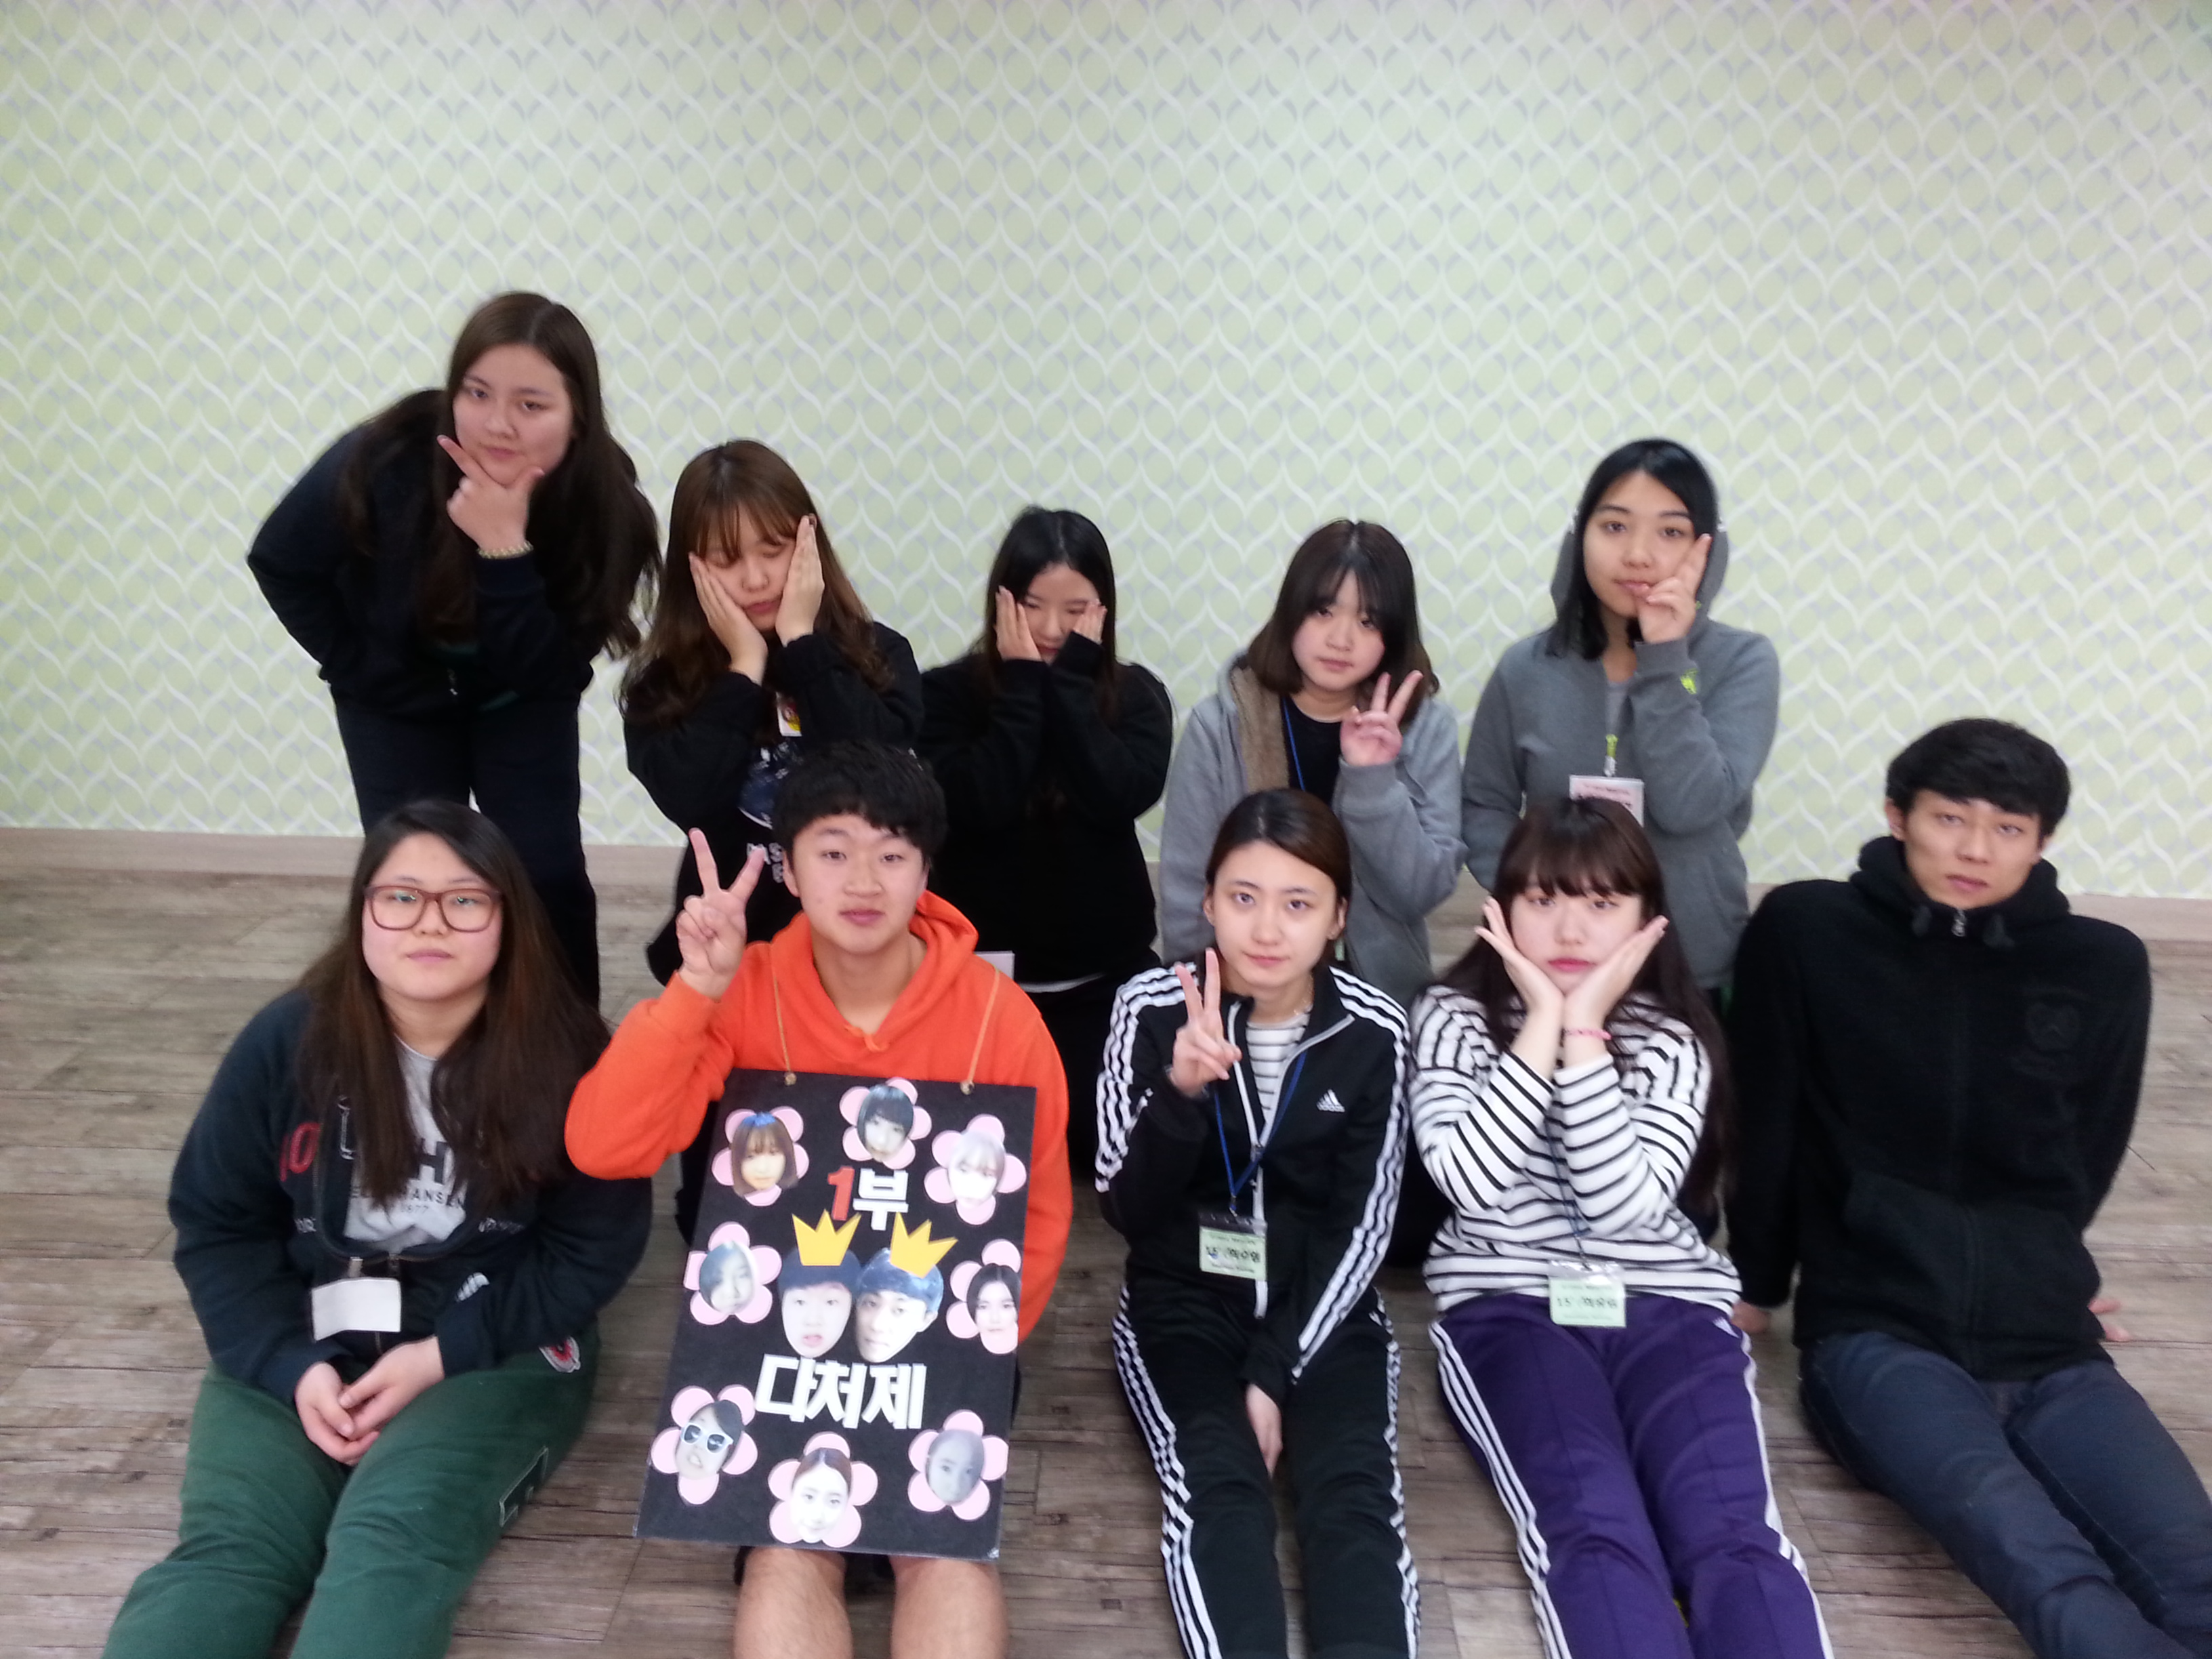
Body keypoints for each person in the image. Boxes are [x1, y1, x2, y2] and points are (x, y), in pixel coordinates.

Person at [102, 802, 651, 1659]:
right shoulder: (289, 1039)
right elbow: (218, 1222)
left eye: (464, 900)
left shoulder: (574, 1055)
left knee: (390, 1547)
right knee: (230, 1554)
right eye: (400, 897)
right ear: (362, 913)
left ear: (509, 919)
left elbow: (590, 1251)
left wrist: (441, 1355)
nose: (429, 922)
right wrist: (286, 1364)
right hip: (305, 1326)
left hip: (491, 1343)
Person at [567, 740, 1071, 1659]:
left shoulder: (1002, 1020)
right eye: (833, 852)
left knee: (942, 1551)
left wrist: (976, 1345)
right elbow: (605, 1147)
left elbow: (1036, 1218)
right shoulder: (744, 989)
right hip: (776, 1342)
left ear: (926, 869)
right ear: (789, 872)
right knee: (787, 1547)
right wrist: (695, 990)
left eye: (892, 852)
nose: (864, 881)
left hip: (942, 1339)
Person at [1728, 719, 2212, 1658]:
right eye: (1950, 818)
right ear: (1897, 816)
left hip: (2050, 1346)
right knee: (2044, 1564)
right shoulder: (1808, 929)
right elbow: (1768, 1112)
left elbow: (2092, 1144)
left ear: (2043, 840)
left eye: (2008, 829)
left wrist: (2051, 1269)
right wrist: (1756, 1280)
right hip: (1877, 1332)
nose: (1975, 850)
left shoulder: (2102, 964)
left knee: (2193, 1566)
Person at [1412, 799, 1826, 1659]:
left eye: (1603, 904)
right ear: (1502, 908)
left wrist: (1587, 1035)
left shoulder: (1674, 1037)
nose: (1570, 928)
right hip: (1509, 1306)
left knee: (1731, 1534)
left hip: (1670, 1307)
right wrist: (1542, 1027)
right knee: (1593, 1525)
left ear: (1646, 918)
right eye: (1543, 899)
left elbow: (1621, 1209)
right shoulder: (1451, 1018)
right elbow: (1470, 1185)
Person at [247, 293, 661, 1004]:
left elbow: (548, 670)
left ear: (578, 416)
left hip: (519, 699)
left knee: (543, 873)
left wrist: (505, 549)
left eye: (531, 405)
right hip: (396, 700)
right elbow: (281, 561)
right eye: (477, 393)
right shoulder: (385, 458)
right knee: (415, 879)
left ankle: (567, 1043)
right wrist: (358, 666)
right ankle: (411, 1035)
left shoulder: (606, 506)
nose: (498, 423)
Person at [1099, 789, 1420, 1659]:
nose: (1267, 929)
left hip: (1325, 1306)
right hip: (1182, 1302)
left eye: (1298, 904)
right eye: (1244, 897)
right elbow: (1124, 1207)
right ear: (1207, 902)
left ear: (1339, 917)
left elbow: (1364, 1228)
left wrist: (1274, 1373)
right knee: (1220, 1481)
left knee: (1352, 1495)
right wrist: (1181, 1094)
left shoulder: (1375, 1030)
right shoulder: (1150, 1008)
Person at [620, 440, 922, 1238]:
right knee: (715, 1206)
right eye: (727, 559)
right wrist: (745, 666)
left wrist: (801, 644)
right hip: (733, 949)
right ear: (691, 568)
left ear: (810, 544)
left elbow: (883, 786)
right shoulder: (664, 682)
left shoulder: (876, 655)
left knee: (850, 1169)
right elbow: (689, 797)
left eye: (774, 549)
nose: (755, 578)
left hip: (853, 950)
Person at [1460, 438, 1777, 994]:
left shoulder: (1744, 662)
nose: (1638, 554)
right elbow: (1485, 802)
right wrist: (1532, 897)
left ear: (1708, 550)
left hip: (1689, 959)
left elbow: (1691, 807)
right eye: (1614, 526)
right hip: (1552, 964)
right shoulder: (1526, 668)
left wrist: (1665, 656)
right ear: (1579, 537)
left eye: (1671, 532)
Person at [920, 506, 1174, 1176]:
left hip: (1103, 980)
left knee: (1094, 1149)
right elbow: (978, 802)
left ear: (1104, 610)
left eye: (1076, 609)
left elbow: (1118, 794)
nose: (1054, 628)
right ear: (1000, 602)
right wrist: (1025, 689)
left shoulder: (1138, 697)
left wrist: (1071, 690)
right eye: (1033, 607)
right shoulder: (944, 696)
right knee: (975, 1153)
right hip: (981, 980)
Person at [1159, 519, 1460, 1012]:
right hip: (1239, 996)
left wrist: (1373, 780)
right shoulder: (1221, 725)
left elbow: (1420, 891)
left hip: (1378, 1001)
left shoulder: (1426, 727)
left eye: (1368, 621)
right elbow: (1188, 890)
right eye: (1323, 611)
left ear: (1393, 634)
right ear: (1291, 611)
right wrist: (1202, 1005)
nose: (1341, 639)